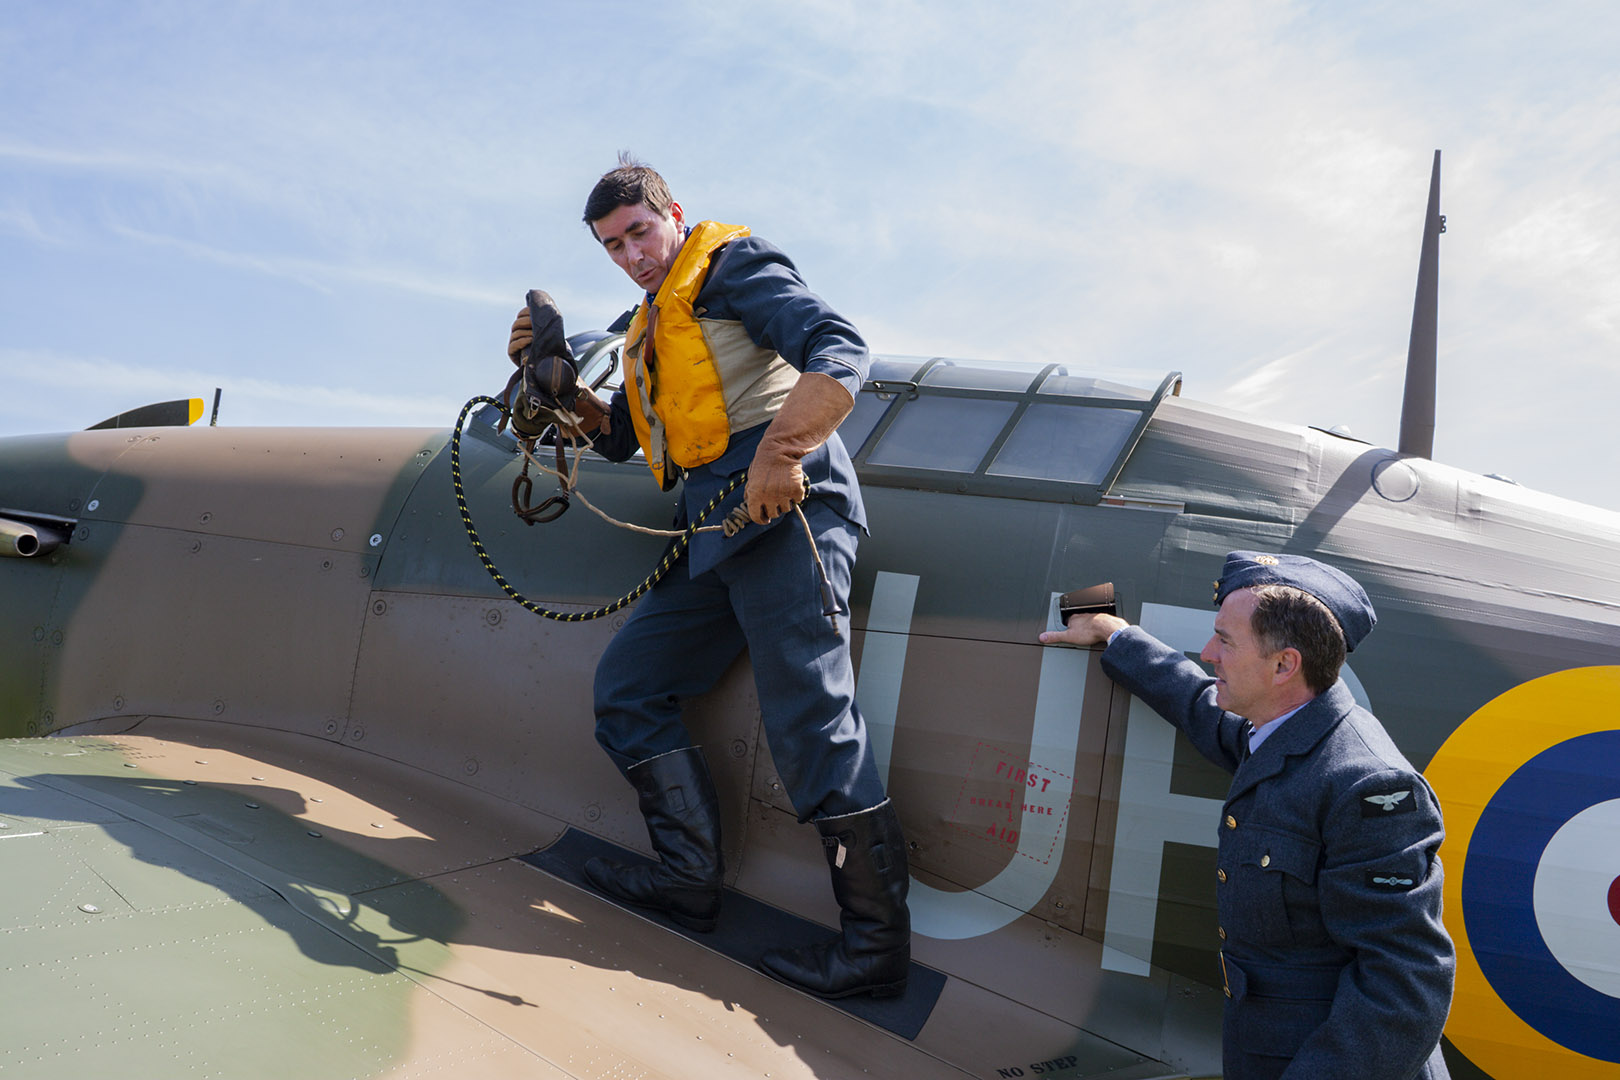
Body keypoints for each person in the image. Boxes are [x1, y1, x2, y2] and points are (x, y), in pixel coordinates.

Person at [507, 156, 909, 1000]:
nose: (631, 256)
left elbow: (841, 349)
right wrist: (564, 393)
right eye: (612, 247)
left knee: (813, 721)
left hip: (787, 511)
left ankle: (875, 950)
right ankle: (689, 881)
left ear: (673, 213)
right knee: (629, 687)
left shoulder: (733, 268)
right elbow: (626, 440)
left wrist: (782, 451)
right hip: (714, 533)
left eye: (640, 234)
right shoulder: (653, 320)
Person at [1040, 552, 1453, 1079]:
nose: (1210, 653)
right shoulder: (1291, 724)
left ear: (1284, 665)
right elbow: (1200, 705)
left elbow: (1405, 983)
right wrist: (1117, 635)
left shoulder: (1366, 786)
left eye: (1226, 642)